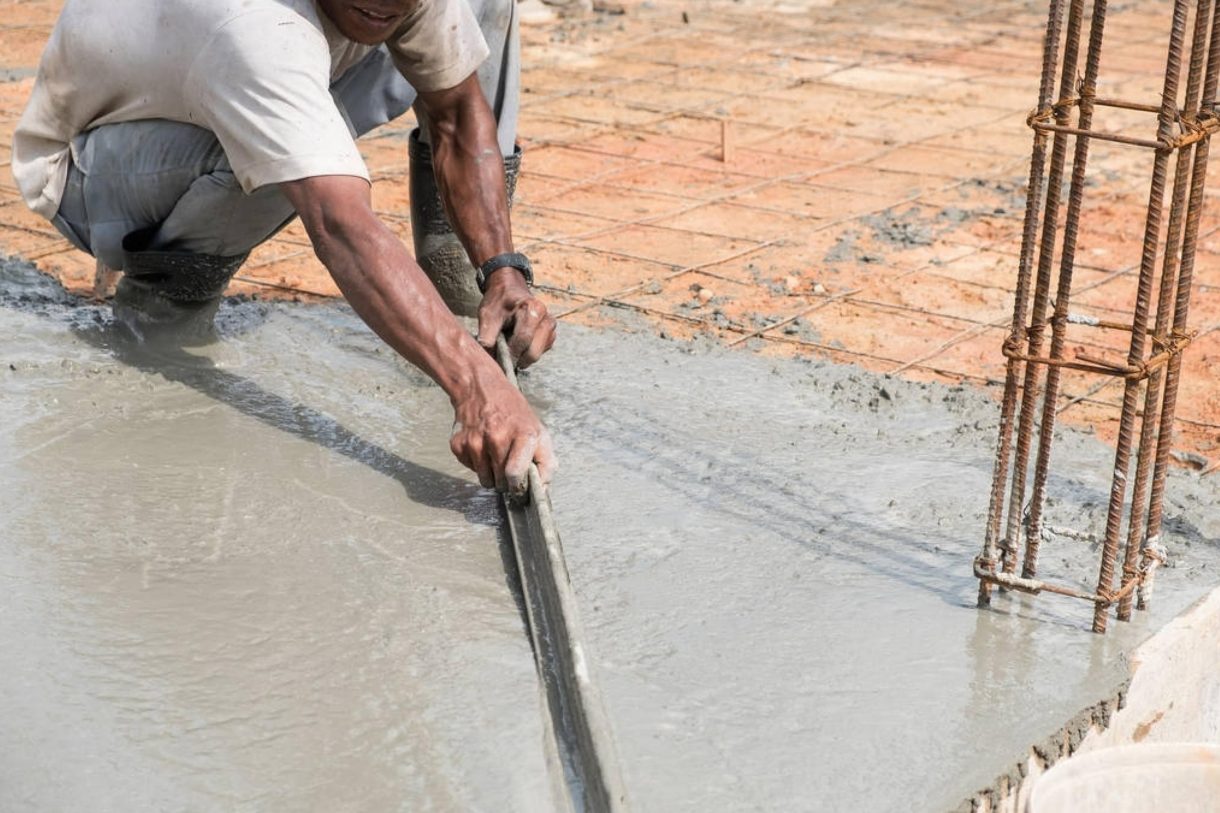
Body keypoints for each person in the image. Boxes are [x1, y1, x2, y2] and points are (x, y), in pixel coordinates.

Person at [11, 0, 558, 495]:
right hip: (91, 170)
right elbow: (338, 222)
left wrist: (502, 271)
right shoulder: (255, 28)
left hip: (214, 78)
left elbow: (458, 114)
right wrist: (473, 387)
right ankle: (168, 296)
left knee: (479, 9)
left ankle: (459, 287)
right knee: (284, 159)